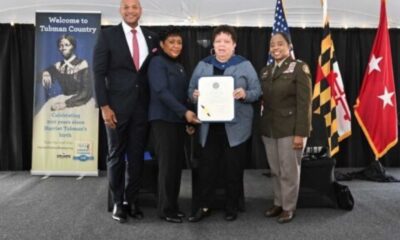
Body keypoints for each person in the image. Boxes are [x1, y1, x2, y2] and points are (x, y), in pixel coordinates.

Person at [93, 0, 158, 223]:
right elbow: (98, 73)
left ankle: (132, 201)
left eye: (135, 7)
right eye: (126, 7)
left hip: (142, 108)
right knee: (116, 156)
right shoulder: (107, 35)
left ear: (141, 11)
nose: (131, 10)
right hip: (115, 109)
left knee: (137, 156)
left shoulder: (151, 37)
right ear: (120, 11)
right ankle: (118, 202)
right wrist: (104, 106)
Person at [187, 25, 262, 222]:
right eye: (218, 41)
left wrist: (245, 94)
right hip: (209, 128)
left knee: (233, 169)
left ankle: (232, 206)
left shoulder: (244, 65)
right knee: (207, 170)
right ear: (213, 44)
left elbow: (257, 91)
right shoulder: (203, 65)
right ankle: (204, 206)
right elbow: (190, 90)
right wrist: (195, 96)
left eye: (226, 41)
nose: (222, 45)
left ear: (234, 45)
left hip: (236, 129)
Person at [148, 27, 200, 223]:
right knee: (167, 167)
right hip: (162, 120)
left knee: (175, 167)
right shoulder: (157, 63)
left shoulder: (178, 66)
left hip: (177, 122)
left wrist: (188, 118)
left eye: (179, 42)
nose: (176, 46)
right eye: (172, 42)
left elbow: (181, 95)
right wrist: (185, 113)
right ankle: (165, 210)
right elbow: (161, 92)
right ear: (162, 44)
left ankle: (172, 205)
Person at [259, 32, 312, 223]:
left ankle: (289, 207)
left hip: (291, 129)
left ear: (289, 46)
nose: (275, 48)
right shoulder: (265, 71)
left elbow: (305, 104)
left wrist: (301, 133)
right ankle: (278, 202)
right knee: (275, 170)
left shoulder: (299, 68)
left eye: (280, 44)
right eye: (272, 45)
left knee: (289, 170)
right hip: (270, 128)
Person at [41, 34, 92, 111]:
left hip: (79, 101)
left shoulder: (82, 64)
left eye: (67, 45)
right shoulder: (58, 65)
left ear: (73, 47)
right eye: (61, 45)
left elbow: (86, 92)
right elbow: (43, 73)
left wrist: (66, 103)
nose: (63, 48)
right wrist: (46, 72)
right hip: (62, 98)